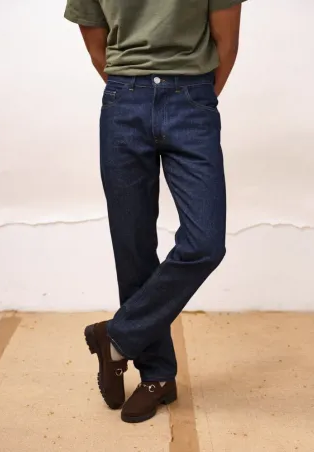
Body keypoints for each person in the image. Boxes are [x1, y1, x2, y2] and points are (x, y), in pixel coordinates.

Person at [64, 0, 244, 423]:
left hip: (191, 99)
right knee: (133, 245)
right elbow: (96, 45)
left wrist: (193, 99)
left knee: (205, 244)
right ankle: (157, 376)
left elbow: (227, 42)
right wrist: (137, 93)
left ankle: (116, 338)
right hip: (124, 103)